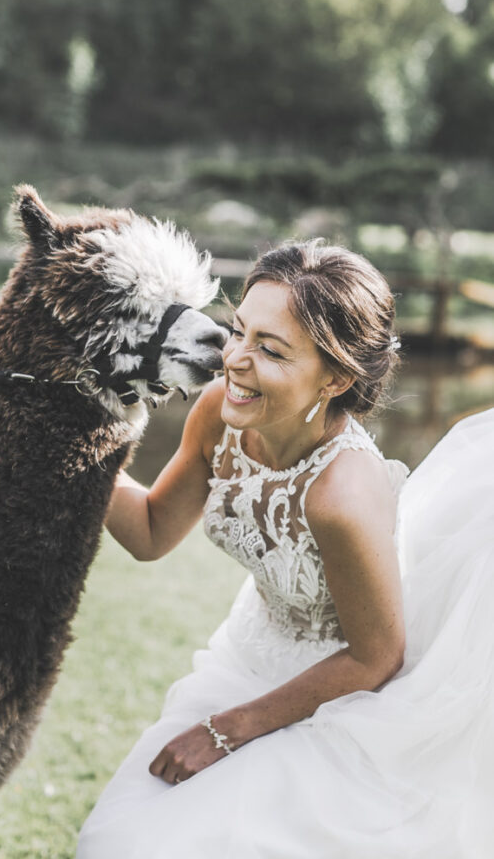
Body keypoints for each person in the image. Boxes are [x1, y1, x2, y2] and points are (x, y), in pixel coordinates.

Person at [77, 240, 494, 859]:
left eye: (269, 350)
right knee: (120, 838)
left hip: (343, 696)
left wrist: (226, 730)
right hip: (246, 657)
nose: (234, 360)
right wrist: (72, 441)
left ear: (336, 378)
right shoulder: (220, 410)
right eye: (238, 331)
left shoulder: (341, 494)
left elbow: (377, 657)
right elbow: (152, 532)